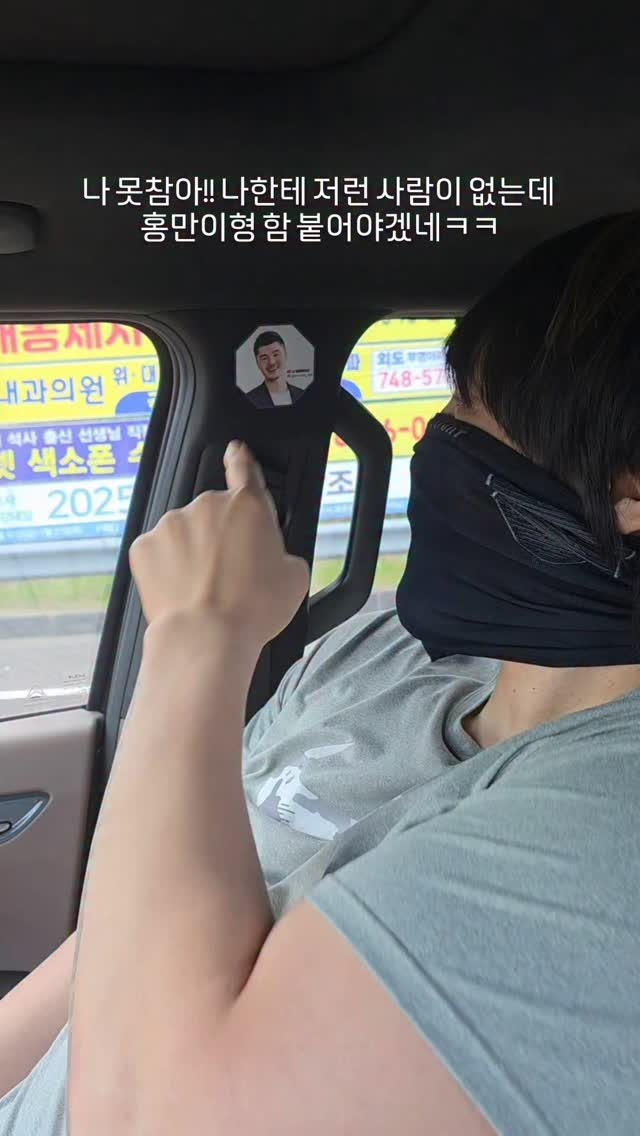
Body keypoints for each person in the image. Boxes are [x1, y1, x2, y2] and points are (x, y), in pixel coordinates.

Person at [2, 212, 640, 1135]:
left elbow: (147, 1117)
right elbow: (118, 938)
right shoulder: (383, 654)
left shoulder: (603, 836)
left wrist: (198, 638)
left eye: (468, 414)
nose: (436, 443)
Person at [244, 329, 306, 407]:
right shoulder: (248, 399)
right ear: (257, 363)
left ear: (285, 353)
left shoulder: (302, 394)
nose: (271, 362)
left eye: (276, 354)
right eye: (264, 358)